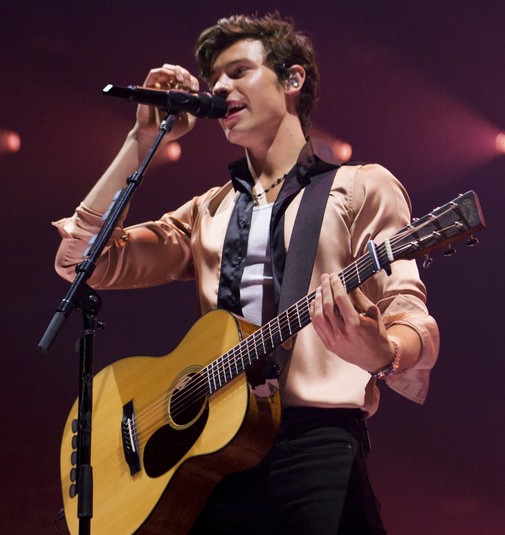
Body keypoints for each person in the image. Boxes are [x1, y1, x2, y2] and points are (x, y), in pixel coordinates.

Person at [54, 12, 439, 534]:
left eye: (238, 71)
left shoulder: (360, 187)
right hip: (212, 453)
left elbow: (409, 310)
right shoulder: (206, 212)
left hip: (314, 442)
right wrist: (141, 141)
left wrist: (386, 353)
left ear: (292, 80)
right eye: (214, 79)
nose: (220, 88)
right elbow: (85, 261)